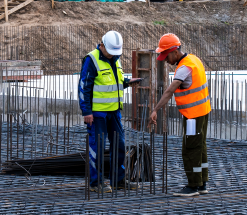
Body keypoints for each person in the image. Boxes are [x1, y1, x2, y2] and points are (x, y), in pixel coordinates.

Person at [148, 33, 211, 197]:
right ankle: (202, 182)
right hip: (203, 112)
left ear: (174, 51)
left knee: (190, 149)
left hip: (193, 117)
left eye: (166, 55)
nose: (166, 60)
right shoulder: (194, 59)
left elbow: (169, 91)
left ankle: (193, 185)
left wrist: (155, 109)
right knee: (200, 147)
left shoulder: (184, 68)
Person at [78, 30, 139, 193]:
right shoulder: (92, 59)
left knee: (119, 145)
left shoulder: (115, 59)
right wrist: (86, 111)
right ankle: (95, 182)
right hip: (97, 114)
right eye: (110, 52)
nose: (113, 55)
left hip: (114, 112)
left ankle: (118, 180)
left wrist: (127, 82)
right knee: (97, 147)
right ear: (102, 45)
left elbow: (113, 83)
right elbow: (84, 87)